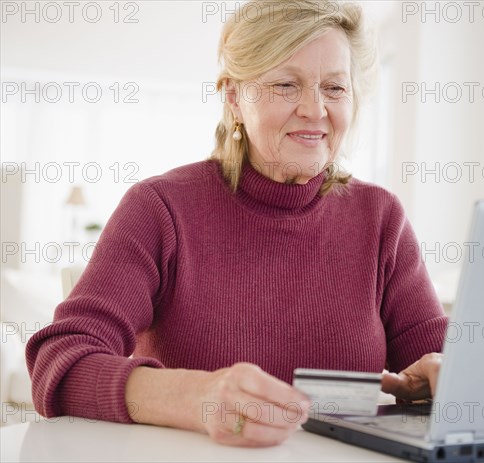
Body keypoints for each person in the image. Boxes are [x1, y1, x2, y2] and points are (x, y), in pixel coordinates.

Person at [26, 0, 448, 448]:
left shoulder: (380, 217)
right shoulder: (160, 209)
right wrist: (197, 398)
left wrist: (450, 376)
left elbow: (436, 361)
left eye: (335, 88)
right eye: (287, 84)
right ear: (233, 97)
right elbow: (60, 362)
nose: (315, 108)